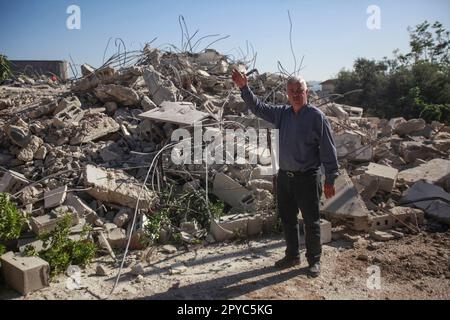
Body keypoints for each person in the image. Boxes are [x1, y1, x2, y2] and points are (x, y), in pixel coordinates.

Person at [231, 69, 339, 277]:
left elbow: (327, 149)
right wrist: (244, 87)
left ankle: (314, 260)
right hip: (285, 177)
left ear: (307, 92)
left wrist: (331, 178)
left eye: (300, 90)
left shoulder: (317, 117)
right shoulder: (282, 114)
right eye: (292, 91)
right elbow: (258, 107)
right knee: (287, 219)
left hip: (308, 177)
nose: (296, 94)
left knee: (311, 221)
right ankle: (292, 255)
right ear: (287, 94)